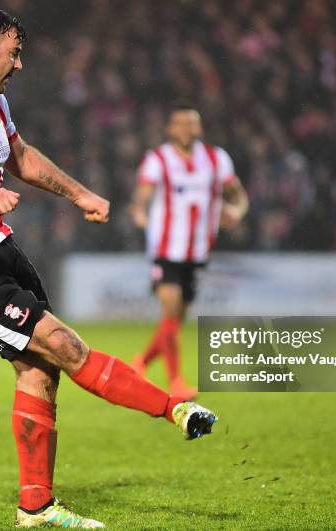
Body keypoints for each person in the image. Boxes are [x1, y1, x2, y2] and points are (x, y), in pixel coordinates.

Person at [0, 8, 218, 529]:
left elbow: (20, 157)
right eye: (14, 52)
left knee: (41, 368)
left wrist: (80, 194)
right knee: (63, 346)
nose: (19, 64)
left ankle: (36, 509)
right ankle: (173, 410)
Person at [130, 102, 248, 399]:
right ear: (170, 129)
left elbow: (238, 194)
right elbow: (143, 193)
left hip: (197, 251)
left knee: (174, 320)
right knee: (171, 310)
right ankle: (177, 384)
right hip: (166, 248)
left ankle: (140, 363)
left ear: (199, 128)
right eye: (179, 123)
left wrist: (238, 211)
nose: (185, 129)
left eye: (191, 123)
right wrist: (139, 211)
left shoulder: (216, 159)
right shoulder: (158, 159)